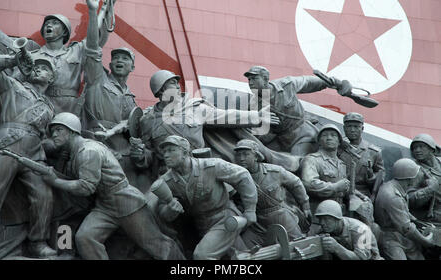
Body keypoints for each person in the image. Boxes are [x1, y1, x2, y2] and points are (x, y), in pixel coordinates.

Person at [38, 113, 185, 260]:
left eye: (59, 130)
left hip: (125, 202)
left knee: (157, 245)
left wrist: (54, 181)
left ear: (72, 131)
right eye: (53, 131)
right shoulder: (75, 152)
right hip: (105, 205)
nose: (54, 135)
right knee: (86, 238)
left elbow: (86, 187)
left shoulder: (88, 152)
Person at [131, 70, 278, 177]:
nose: (177, 87)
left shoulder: (194, 108)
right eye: (172, 84)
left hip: (201, 169)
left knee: (235, 186)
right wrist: (140, 156)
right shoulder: (148, 121)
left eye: (177, 83)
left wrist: (257, 116)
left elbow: (227, 116)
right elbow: (150, 154)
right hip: (170, 175)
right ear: (160, 90)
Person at [79, 0, 147, 192]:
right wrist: (99, 10)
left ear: (132, 67)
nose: (119, 61)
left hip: (122, 154)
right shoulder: (98, 78)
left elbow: (134, 128)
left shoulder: (131, 98)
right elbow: (92, 47)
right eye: (115, 58)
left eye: (124, 59)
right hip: (95, 143)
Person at [0, 55, 57, 258]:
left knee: (44, 196)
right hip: (8, 143)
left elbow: (49, 136)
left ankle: (37, 242)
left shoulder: (50, 107)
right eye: (36, 66)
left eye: (44, 68)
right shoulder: (12, 85)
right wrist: (13, 60)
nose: (38, 69)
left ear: (52, 78)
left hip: (35, 152)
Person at [154, 135, 258, 260]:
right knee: (238, 256)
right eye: (164, 151)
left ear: (185, 152)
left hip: (226, 219)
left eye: (171, 150)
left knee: (202, 255)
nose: (166, 155)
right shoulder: (166, 181)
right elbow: (162, 212)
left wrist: (250, 209)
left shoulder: (211, 166)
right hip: (202, 226)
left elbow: (243, 176)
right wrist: (170, 210)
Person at [242, 65, 352, 156]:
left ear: (265, 79)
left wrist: (335, 83)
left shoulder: (286, 85)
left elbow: (308, 83)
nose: (250, 82)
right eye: (249, 79)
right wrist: (265, 123)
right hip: (281, 140)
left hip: (302, 134)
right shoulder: (254, 104)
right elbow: (260, 137)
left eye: (254, 79)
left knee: (297, 162)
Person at [233, 139, 311, 247]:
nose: (241, 158)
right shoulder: (234, 177)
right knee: (246, 250)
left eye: (246, 154)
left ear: (256, 156)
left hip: (281, 216)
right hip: (257, 222)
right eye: (238, 155)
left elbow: (295, 183)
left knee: (299, 245)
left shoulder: (275, 171)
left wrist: (305, 205)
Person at [374, 158, 437, 260]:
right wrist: (426, 242)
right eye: (417, 175)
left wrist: (420, 223)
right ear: (410, 178)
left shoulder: (395, 187)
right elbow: (407, 228)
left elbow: (405, 213)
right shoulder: (393, 196)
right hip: (390, 238)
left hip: (401, 236)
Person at [300, 124, 350, 212]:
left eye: (333, 135)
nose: (329, 138)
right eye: (324, 135)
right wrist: (335, 187)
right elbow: (309, 184)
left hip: (338, 214)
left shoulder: (342, 164)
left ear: (339, 142)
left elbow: (345, 189)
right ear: (319, 141)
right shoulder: (311, 159)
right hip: (319, 214)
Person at [314, 200, 382, 260]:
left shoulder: (361, 230)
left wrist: (336, 247)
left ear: (337, 218)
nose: (322, 223)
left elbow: (361, 258)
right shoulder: (322, 230)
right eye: (320, 219)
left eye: (326, 219)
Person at [338, 112, 385, 199]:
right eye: (349, 126)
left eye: (356, 127)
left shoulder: (373, 152)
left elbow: (380, 179)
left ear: (362, 128)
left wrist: (371, 176)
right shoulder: (337, 148)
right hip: (340, 192)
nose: (352, 130)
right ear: (344, 128)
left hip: (362, 195)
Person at [408, 134, 440, 223]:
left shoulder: (439, 164)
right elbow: (410, 200)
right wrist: (429, 190)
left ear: (432, 149)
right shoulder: (414, 169)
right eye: (414, 148)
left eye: (421, 147)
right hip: (430, 218)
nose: (417, 150)